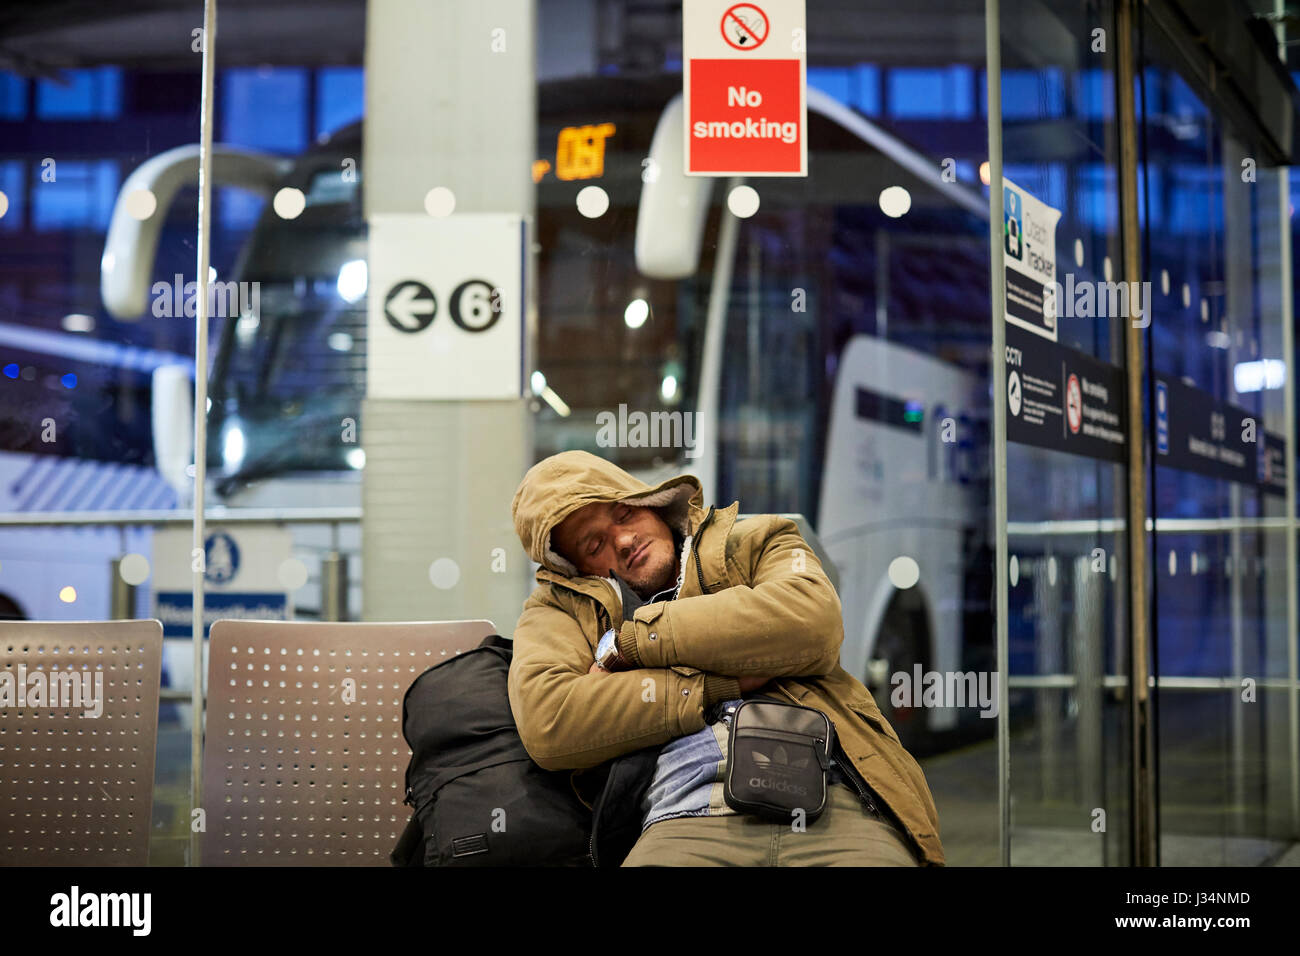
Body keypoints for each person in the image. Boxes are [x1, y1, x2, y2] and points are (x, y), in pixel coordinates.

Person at [508, 449, 944, 866]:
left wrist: (635, 644)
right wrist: (718, 685)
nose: (623, 540)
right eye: (594, 544)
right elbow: (551, 719)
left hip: (835, 794)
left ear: (650, 502)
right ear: (574, 568)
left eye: (624, 514)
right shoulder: (561, 611)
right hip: (685, 814)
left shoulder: (753, 539)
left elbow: (812, 621)